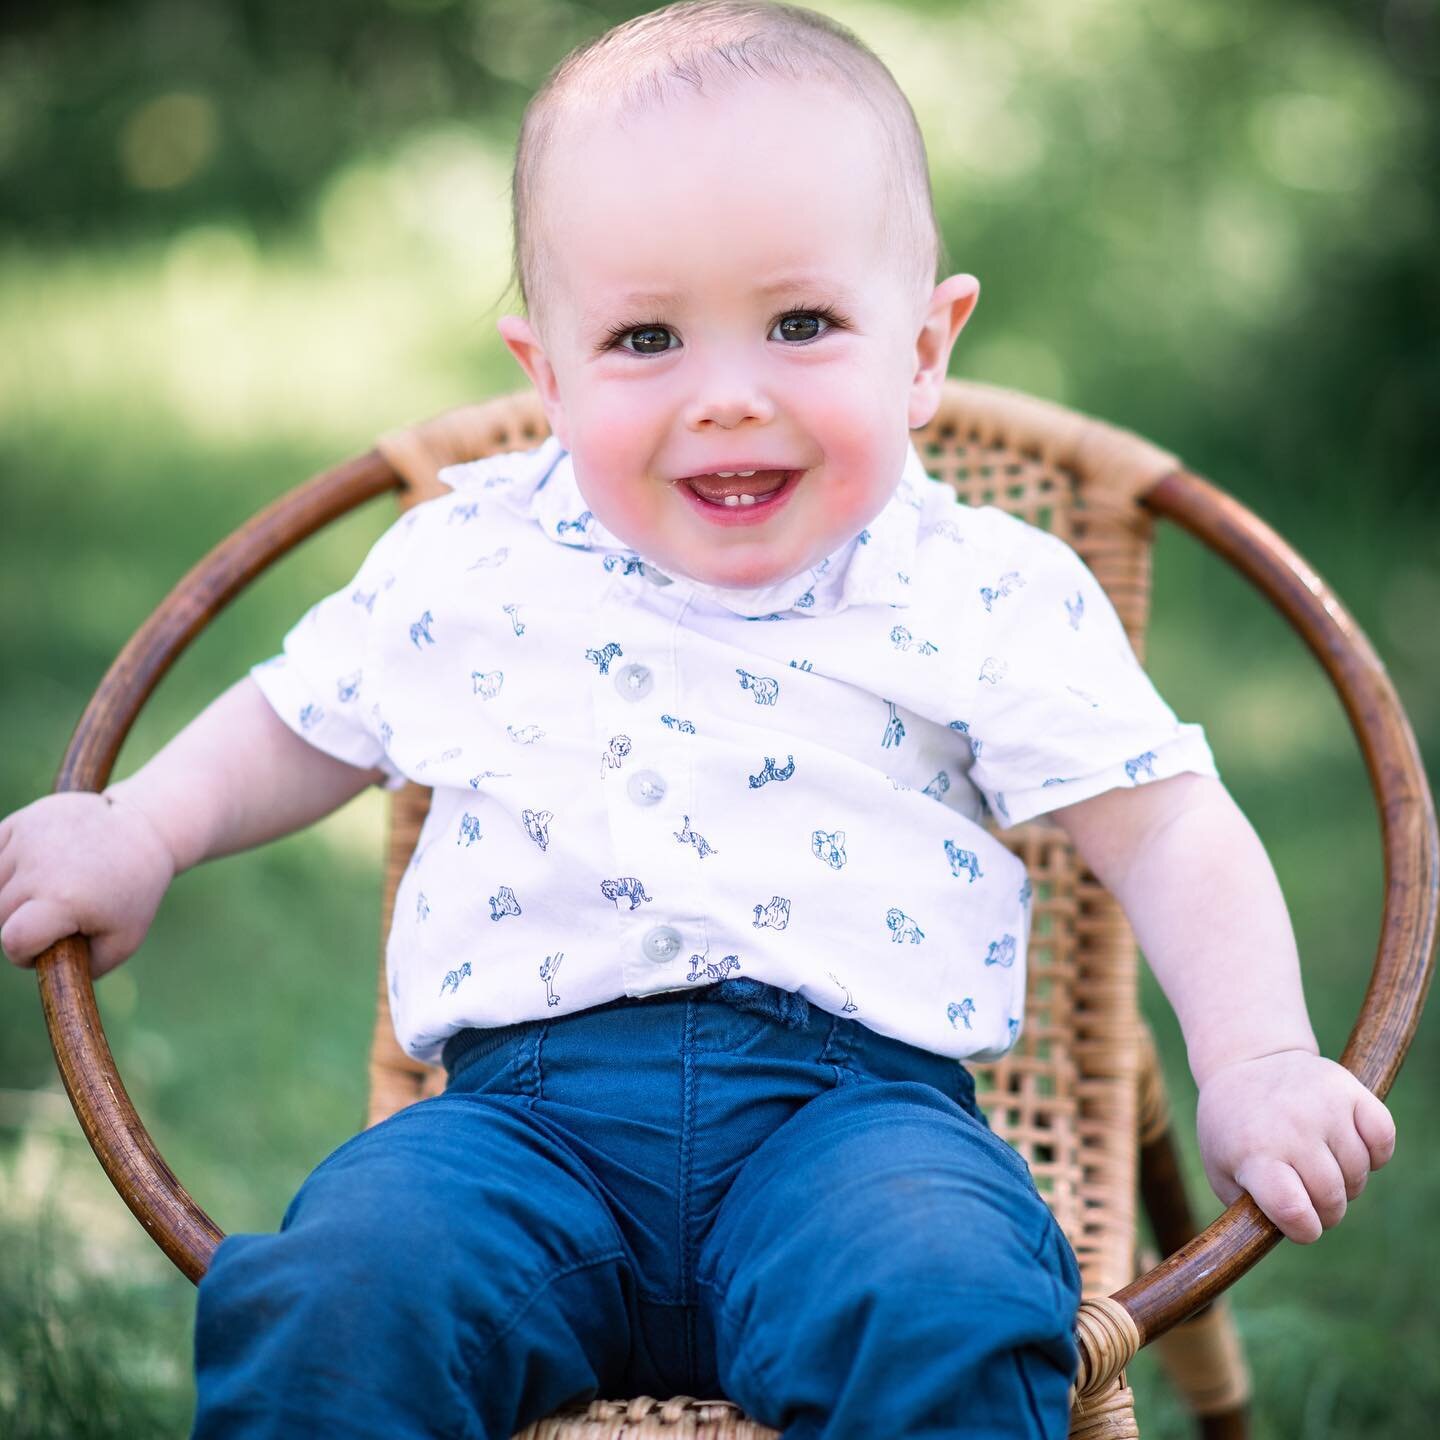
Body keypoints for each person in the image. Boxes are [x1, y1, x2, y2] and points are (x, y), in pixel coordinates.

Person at [0, 3, 1396, 1437]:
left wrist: (1259, 1061)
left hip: (852, 1133)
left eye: (801, 325)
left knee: (944, 1299)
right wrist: (145, 827)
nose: (727, 397)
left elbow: (1166, 824)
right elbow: (303, 719)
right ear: (544, 375)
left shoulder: (979, 586)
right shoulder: (474, 555)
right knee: (340, 1290)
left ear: (923, 347)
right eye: (645, 337)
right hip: (512, 1138)